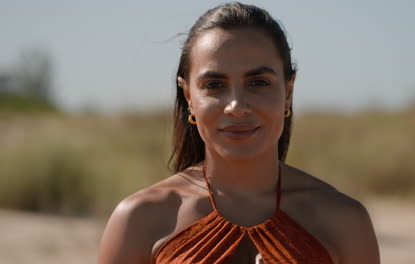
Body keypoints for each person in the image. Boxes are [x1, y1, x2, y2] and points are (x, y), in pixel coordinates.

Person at [98, 2, 380, 264]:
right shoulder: (139, 219)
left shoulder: (343, 221)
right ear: (189, 97)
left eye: (258, 82)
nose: (237, 106)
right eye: (214, 85)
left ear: (288, 92)